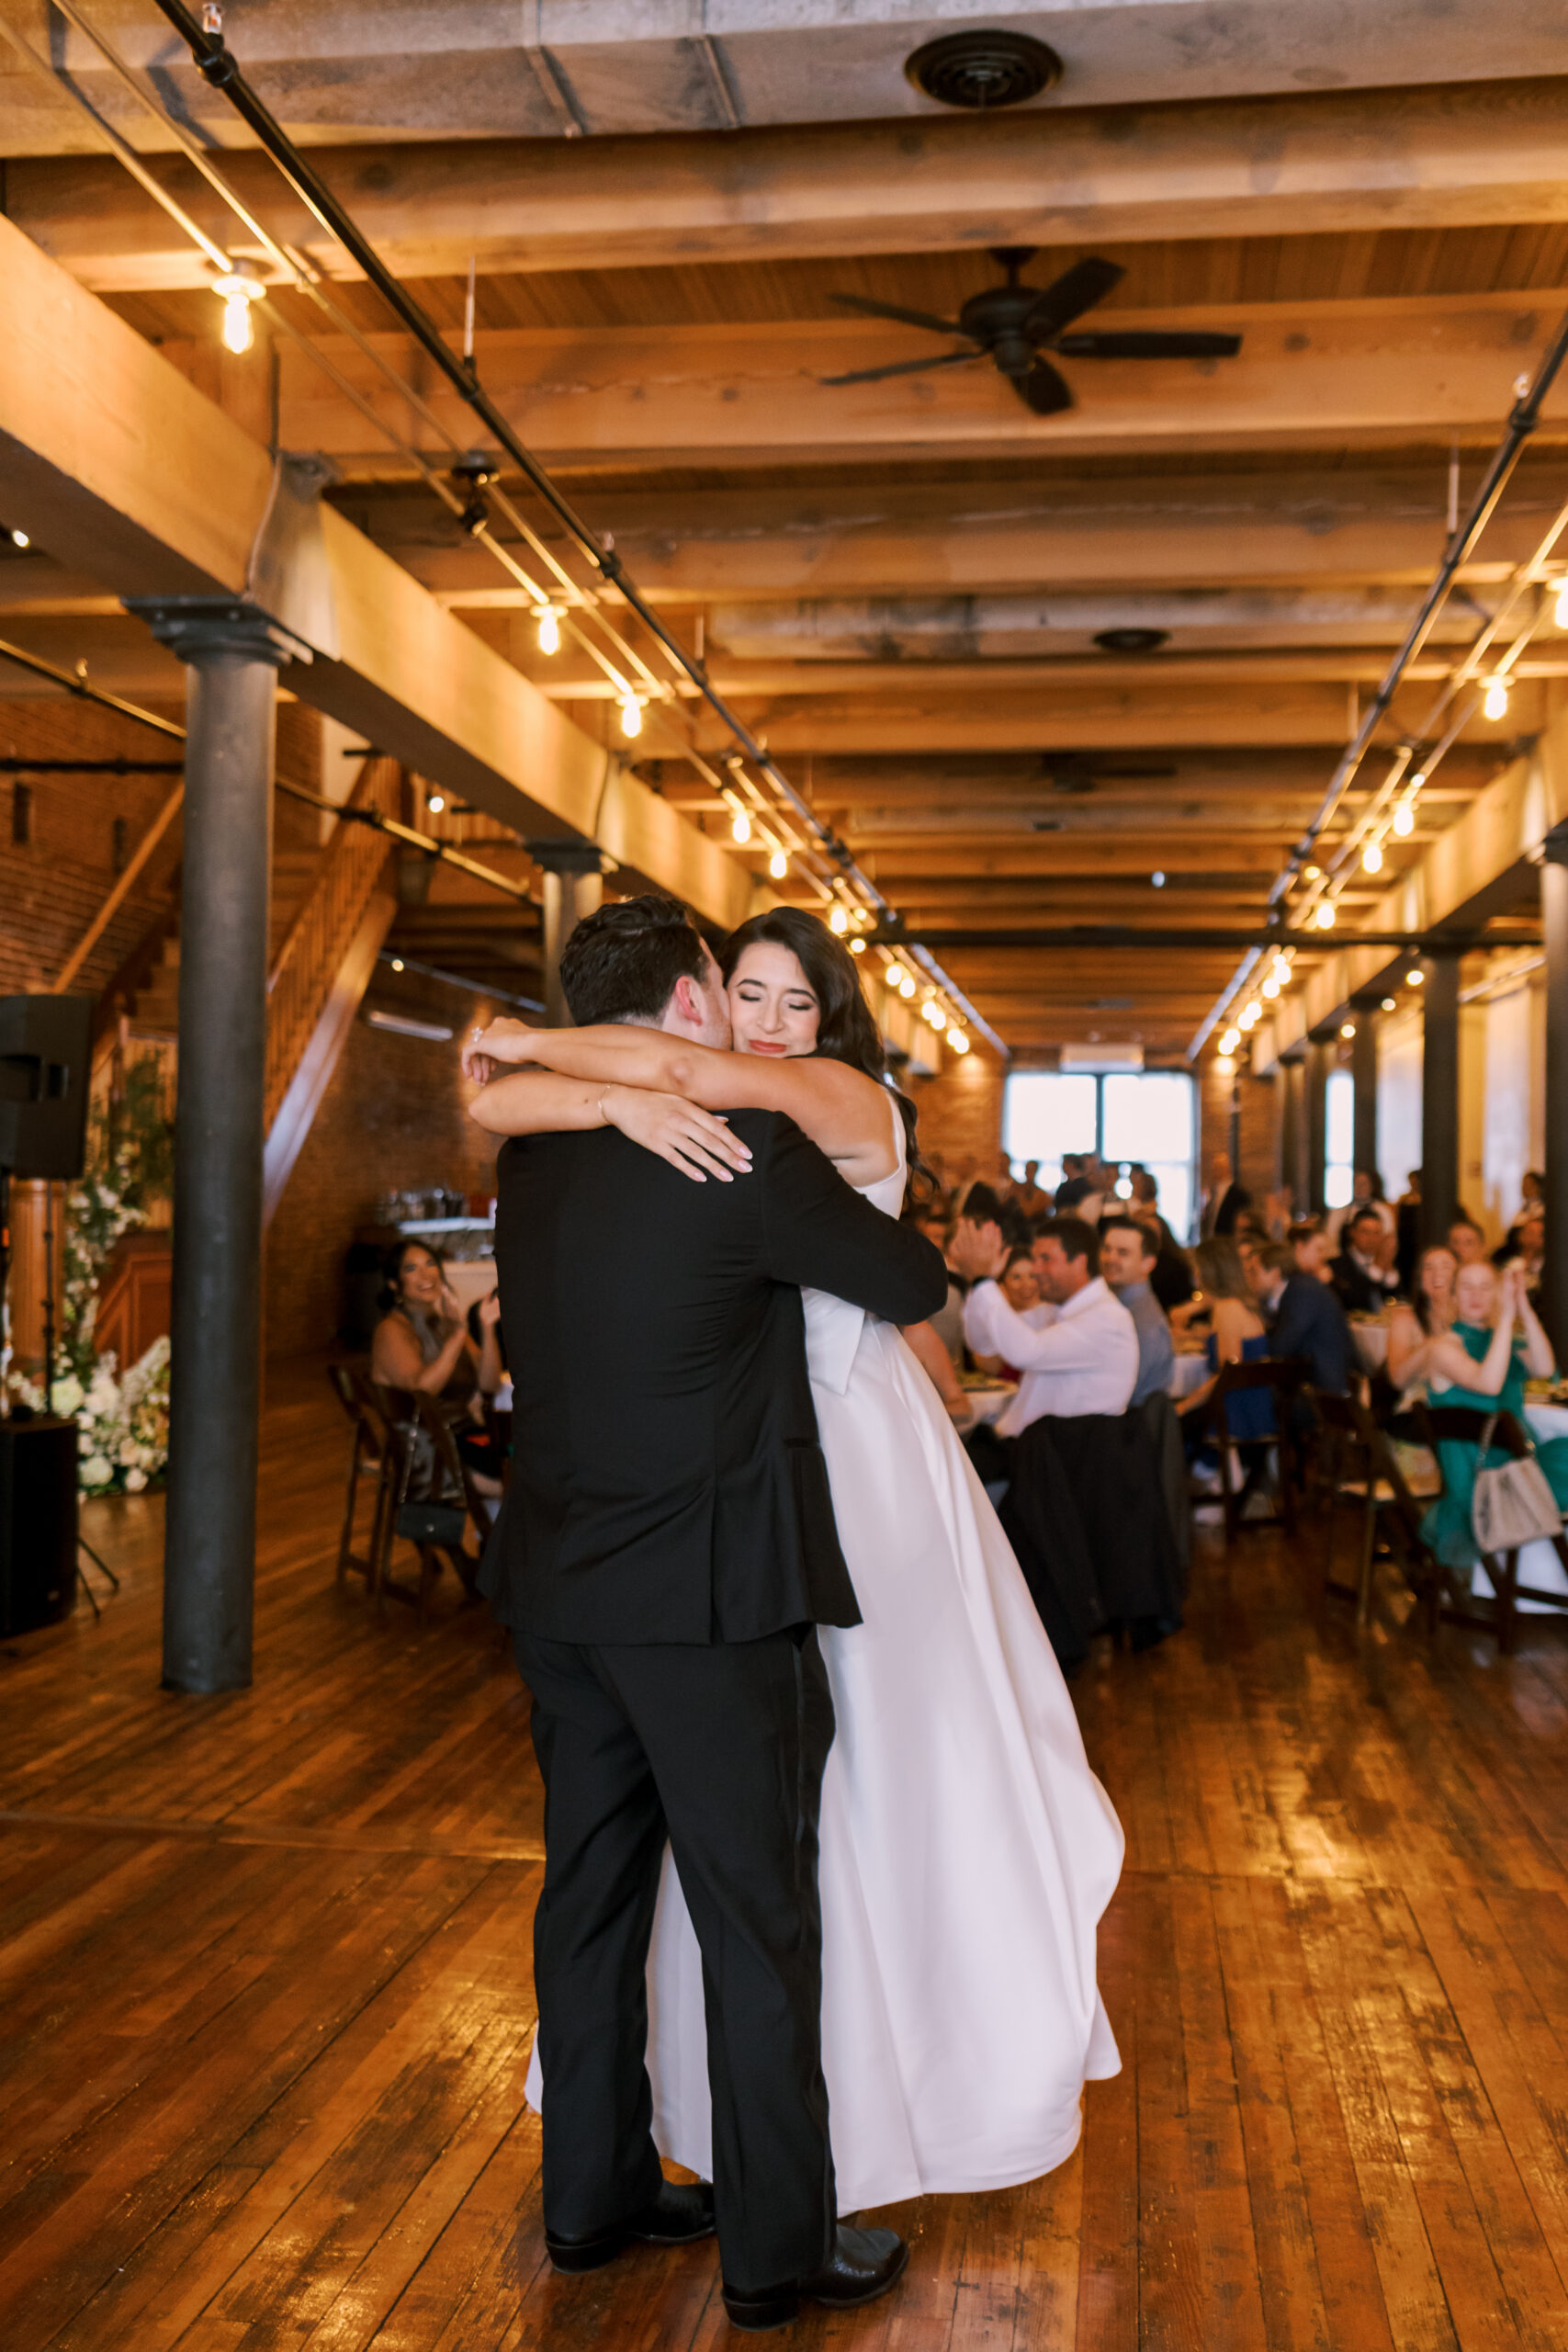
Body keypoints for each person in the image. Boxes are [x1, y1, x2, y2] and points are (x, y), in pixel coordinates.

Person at [468, 902, 1124, 2259]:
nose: (750, 1012)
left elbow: (500, 1081)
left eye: (787, 997)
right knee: (756, 1917)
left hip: (558, 1589)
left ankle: (588, 2200)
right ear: (694, 1002)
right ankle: (778, 2251)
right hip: (704, 1591)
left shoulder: (530, 1156)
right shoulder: (744, 1152)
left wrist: (577, 1081)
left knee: (586, 1899)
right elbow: (896, 1275)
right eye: (729, 986)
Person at [1418, 1261, 1568, 1575]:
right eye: (1467, 1287)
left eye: (1486, 1287)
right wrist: (1507, 1319)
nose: (1476, 1295)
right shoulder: (1443, 1349)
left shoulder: (1502, 1343)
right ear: (1454, 1296)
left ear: (1497, 1295)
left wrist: (1523, 1308)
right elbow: (1488, 1383)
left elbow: (1543, 1367)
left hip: (1517, 1469)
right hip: (1481, 1485)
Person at [955, 1215, 1138, 1434]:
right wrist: (979, 1283)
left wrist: (982, 1282)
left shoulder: (1108, 1319)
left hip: (1065, 1458)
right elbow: (982, 1342)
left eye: (1045, 1258)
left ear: (1079, 1262)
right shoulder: (1057, 1310)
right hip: (1034, 1449)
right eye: (1035, 1259)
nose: (1036, 1269)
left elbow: (1026, 1353)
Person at [370, 1238, 505, 1497]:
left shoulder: (446, 1324)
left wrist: (487, 1327)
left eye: (430, 1263)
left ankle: (496, 1536)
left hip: (468, 1440)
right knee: (533, 1483)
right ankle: (500, 1535)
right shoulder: (391, 1330)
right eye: (411, 1268)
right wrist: (459, 1334)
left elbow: (490, 1384)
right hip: (432, 1455)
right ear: (394, 1284)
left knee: (542, 1462)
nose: (426, 1274)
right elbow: (423, 1389)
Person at [1174, 1236, 1272, 1442]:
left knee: (1171, 1425)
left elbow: (1228, 1372)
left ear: (1209, 1270)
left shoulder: (1227, 1309)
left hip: (1237, 1414)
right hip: (1256, 1405)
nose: (1195, 1273)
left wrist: (1185, 1404)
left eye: (1198, 1267)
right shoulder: (1242, 1303)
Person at [1245, 1238, 1355, 1395]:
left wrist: (1247, 1343)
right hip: (1309, 1381)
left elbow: (1282, 1347)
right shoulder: (1294, 1288)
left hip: (1327, 1390)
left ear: (1275, 1272)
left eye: (1254, 1272)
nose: (1249, 1278)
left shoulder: (1302, 1292)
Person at [1099, 1215, 1175, 1407]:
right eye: (1107, 1249)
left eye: (1123, 1252)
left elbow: (1121, 1393)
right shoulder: (1118, 1306)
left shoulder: (1144, 1321)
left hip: (1129, 1429)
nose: (1110, 1258)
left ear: (1147, 1263)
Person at [1386, 1244, 1458, 1397]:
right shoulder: (1405, 1319)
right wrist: (1433, 1345)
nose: (1437, 1273)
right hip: (1421, 1408)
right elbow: (1398, 1380)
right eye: (1429, 1267)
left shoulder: (1468, 1318)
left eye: (1445, 1266)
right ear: (1420, 1279)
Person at [968, 1246, 1047, 1380]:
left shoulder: (1055, 1318)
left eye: (1032, 1276)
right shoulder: (997, 1322)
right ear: (1002, 1284)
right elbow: (986, 1363)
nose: (1026, 1284)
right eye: (1016, 1277)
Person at [1330, 1204, 1402, 1317]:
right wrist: (1377, 1269)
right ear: (1352, 1232)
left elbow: (1396, 1299)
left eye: (1376, 1233)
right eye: (1365, 1232)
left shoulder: (1387, 1262)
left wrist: (1388, 1269)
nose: (1371, 1239)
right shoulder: (1336, 1266)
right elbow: (1354, 1302)